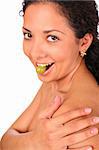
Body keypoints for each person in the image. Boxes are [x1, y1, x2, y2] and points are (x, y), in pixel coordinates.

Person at [1, 0, 99, 149]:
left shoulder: (78, 123)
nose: (34, 52)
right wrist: (33, 142)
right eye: (28, 35)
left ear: (84, 42)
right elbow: (5, 141)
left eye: (52, 37)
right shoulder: (54, 83)